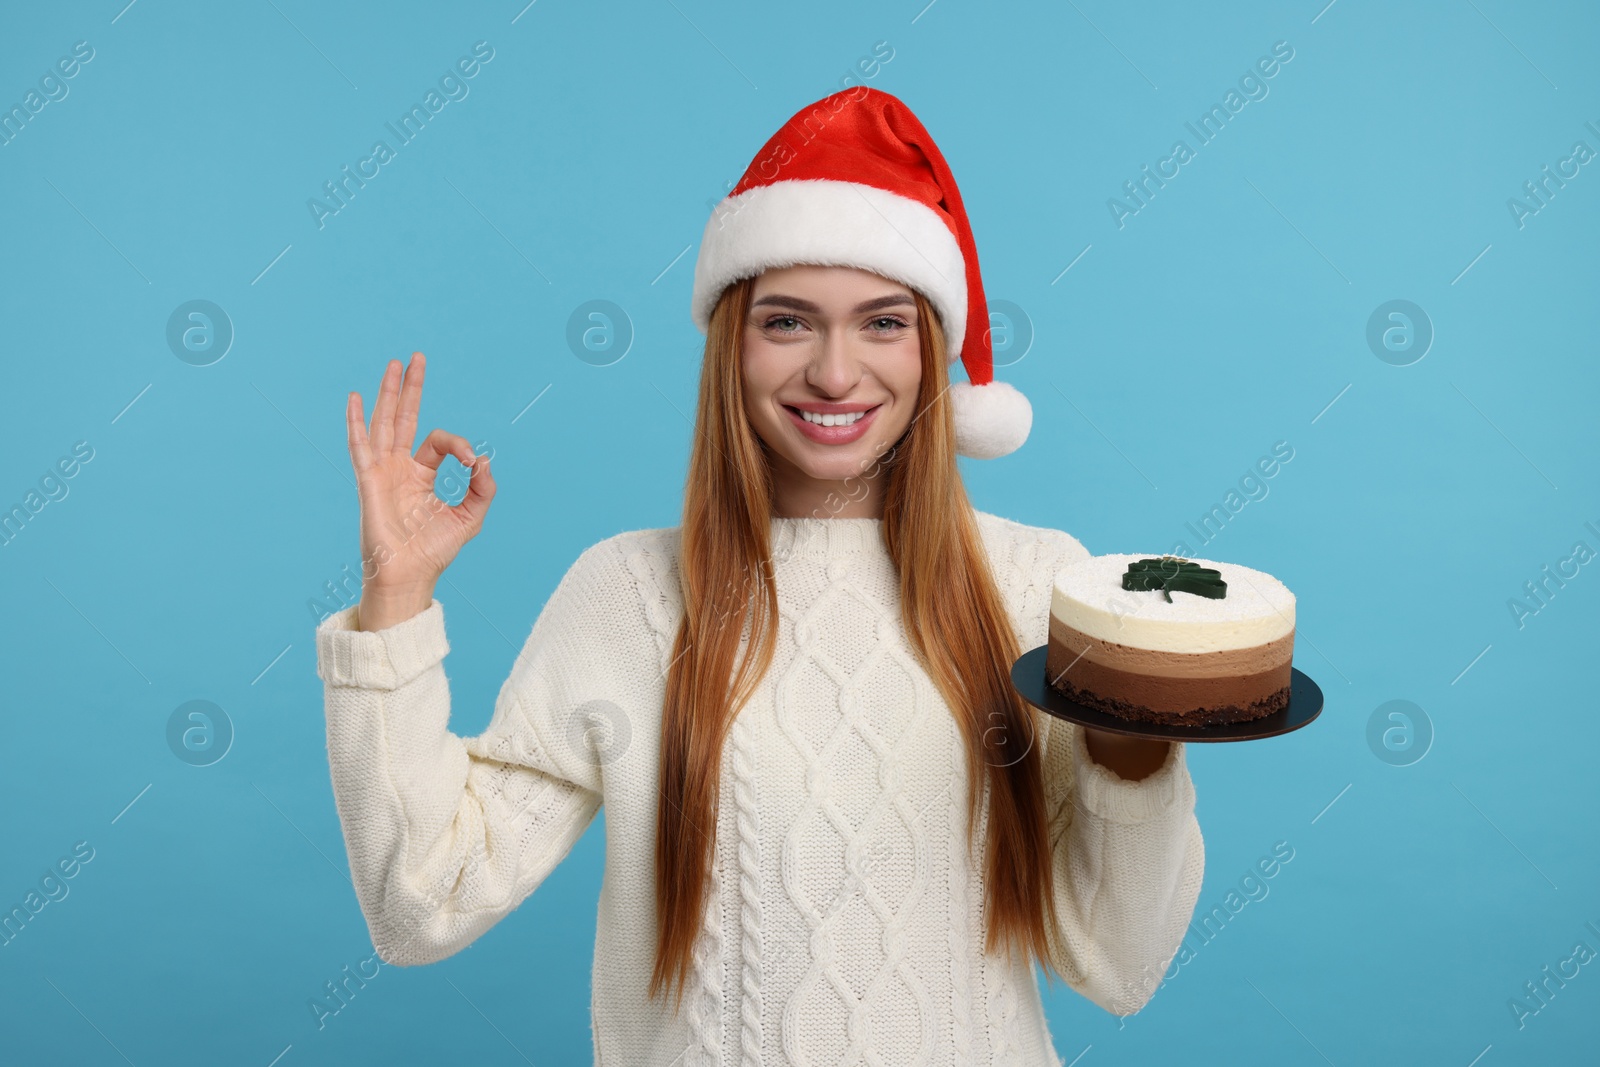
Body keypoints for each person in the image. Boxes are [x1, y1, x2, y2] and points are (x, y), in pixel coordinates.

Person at [315, 86, 1203, 1065]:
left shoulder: (1041, 583)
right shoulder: (629, 595)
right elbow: (420, 904)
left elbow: (1119, 965)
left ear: (932, 349)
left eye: (881, 323)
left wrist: (1135, 752)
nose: (833, 371)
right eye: (787, 322)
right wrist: (393, 601)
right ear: (731, 346)